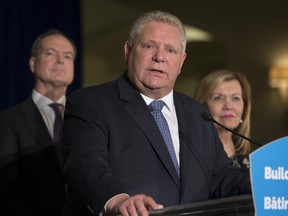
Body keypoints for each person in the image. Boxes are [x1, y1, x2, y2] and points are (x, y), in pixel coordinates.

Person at [62, 10, 251, 216]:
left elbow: (222, 176)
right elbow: (86, 164)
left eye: (170, 50)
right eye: (149, 46)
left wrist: (271, 184)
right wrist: (118, 200)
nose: (159, 57)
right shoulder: (91, 103)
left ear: (181, 61)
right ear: (128, 51)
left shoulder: (197, 113)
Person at [0, 29, 76, 216]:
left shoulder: (87, 118)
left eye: (67, 56)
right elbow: (3, 191)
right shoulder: (7, 121)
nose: (60, 60)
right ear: (33, 64)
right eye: (51, 53)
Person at [194, 69, 252, 173]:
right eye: (218, 98)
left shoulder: (248, 155)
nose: (228, 106)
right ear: (202, 106)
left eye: (235, 98)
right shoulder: (194, 153)